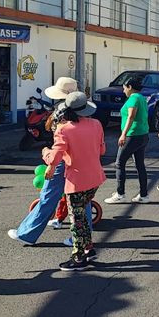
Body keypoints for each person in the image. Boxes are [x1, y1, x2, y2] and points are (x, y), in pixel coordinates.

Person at [7, 77, 92, 245]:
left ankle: (28, 233)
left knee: (48, 197)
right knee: (83, 202)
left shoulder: (60, 112)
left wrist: (48, 157)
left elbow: (59, 144)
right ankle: (83, 239)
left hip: (62, 160)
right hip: (83, 161)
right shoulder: (87, 115)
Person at [41, 91, 106, 271]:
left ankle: (78, 258)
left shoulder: (64, 128)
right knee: (82, 215)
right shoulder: (96, 124)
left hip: (77, 180)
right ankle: (88, 248)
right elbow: (102, 150)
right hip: (95, 178)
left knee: (76, 219)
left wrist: (45, 153)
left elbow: (55, 156)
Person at [105, 77, 150, 204]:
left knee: (119, 163)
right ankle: (144, 194)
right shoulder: (141, 97)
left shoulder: (133, 98)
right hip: (143, 134)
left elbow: (131, 116)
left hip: (133, 135)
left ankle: (120, 193)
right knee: (140, 165)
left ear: (130, 87)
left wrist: (123, 134)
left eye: (124, 88)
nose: (123, 90)